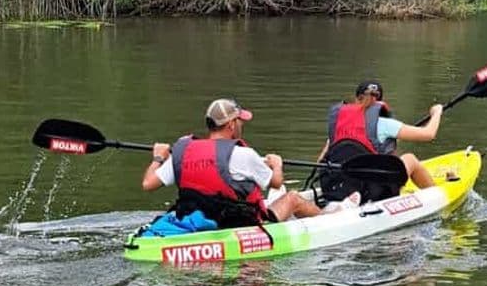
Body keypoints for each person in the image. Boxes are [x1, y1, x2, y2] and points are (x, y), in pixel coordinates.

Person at [142, 98, 359, 231]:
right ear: (231, 124)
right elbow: (276, 182)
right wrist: (276, 164)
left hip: (200, 218)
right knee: (292, 197)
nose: (242, 125)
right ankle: (329, 219)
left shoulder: (183, 151)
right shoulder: (244, 154)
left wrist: (158, 158)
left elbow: (148, 184)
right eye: (240, 121)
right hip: (240, 225)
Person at [316, 80, 444, 201]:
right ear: (379, 102)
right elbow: (429, 134)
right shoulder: (385, 124)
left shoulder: (338, 126)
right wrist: (436, 112)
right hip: (371, 191)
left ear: (356, 99)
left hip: (337, 188)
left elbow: (320, 163)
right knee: (410, 158)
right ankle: (437, 197)